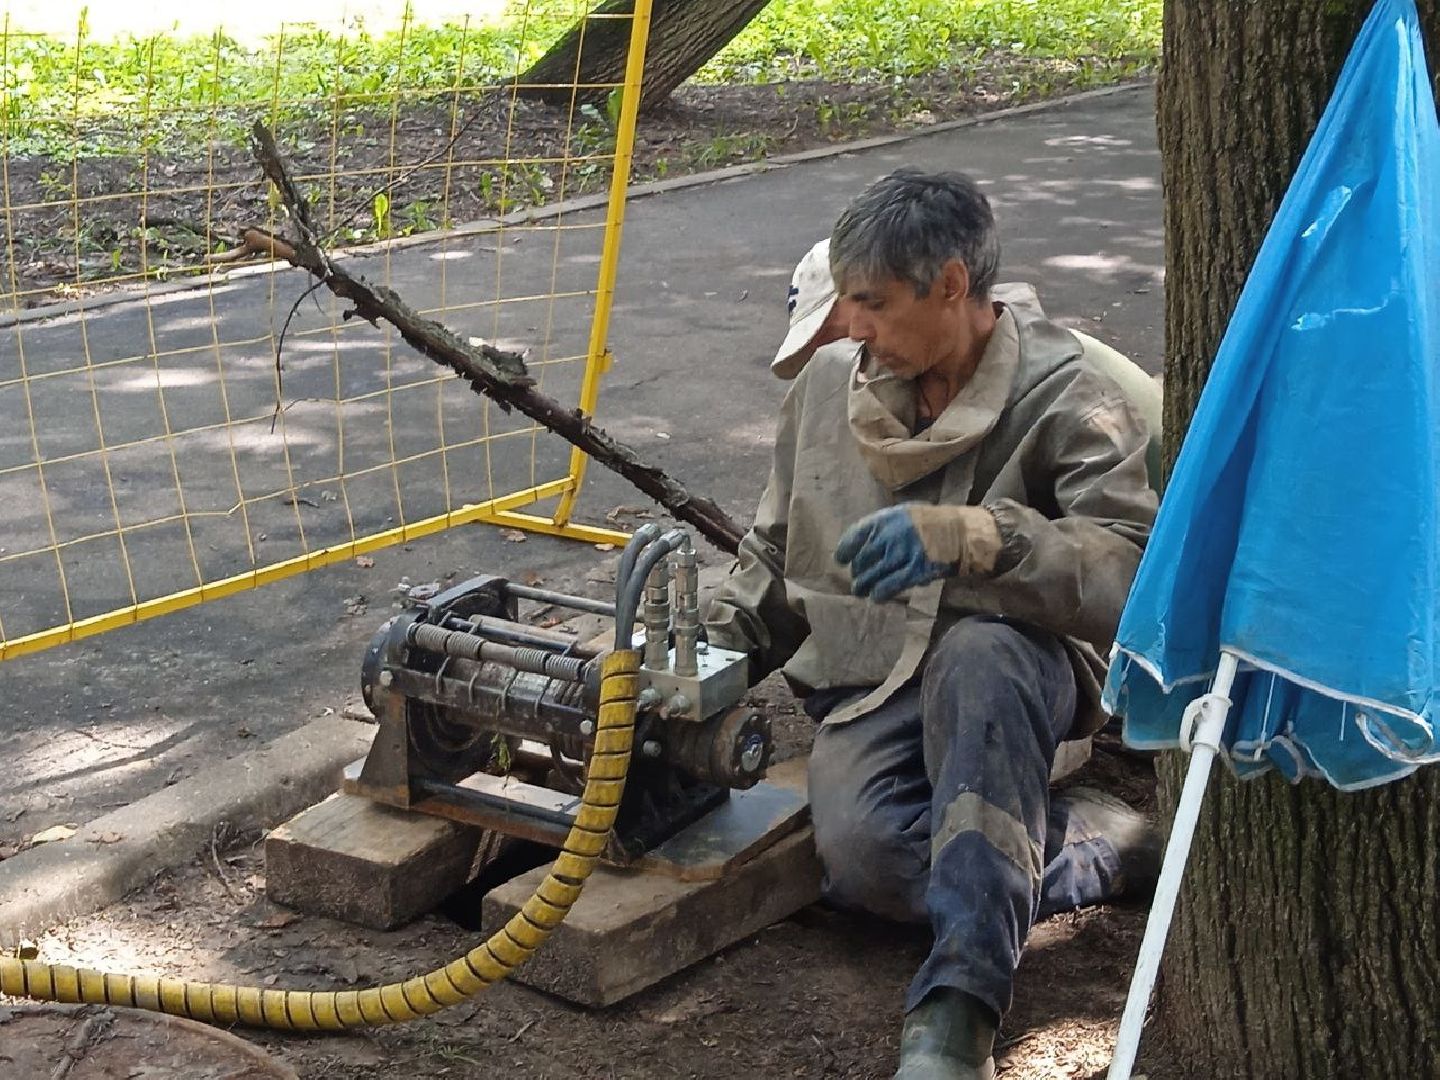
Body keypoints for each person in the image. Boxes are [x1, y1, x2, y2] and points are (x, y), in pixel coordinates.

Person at [706, 169, 1162, 1080]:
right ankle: (1098, 841)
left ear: (951, 285)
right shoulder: (831, 387)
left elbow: (1136, 577)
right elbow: (770, 554)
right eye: (845, 302)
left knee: (980, 649)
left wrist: (984, 540)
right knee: (868, 866)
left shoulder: (1071, 392)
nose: (852, 327)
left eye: (871, 302)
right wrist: (703, 657)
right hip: (872, 678)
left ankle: (959, 1007)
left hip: (1013, 678)